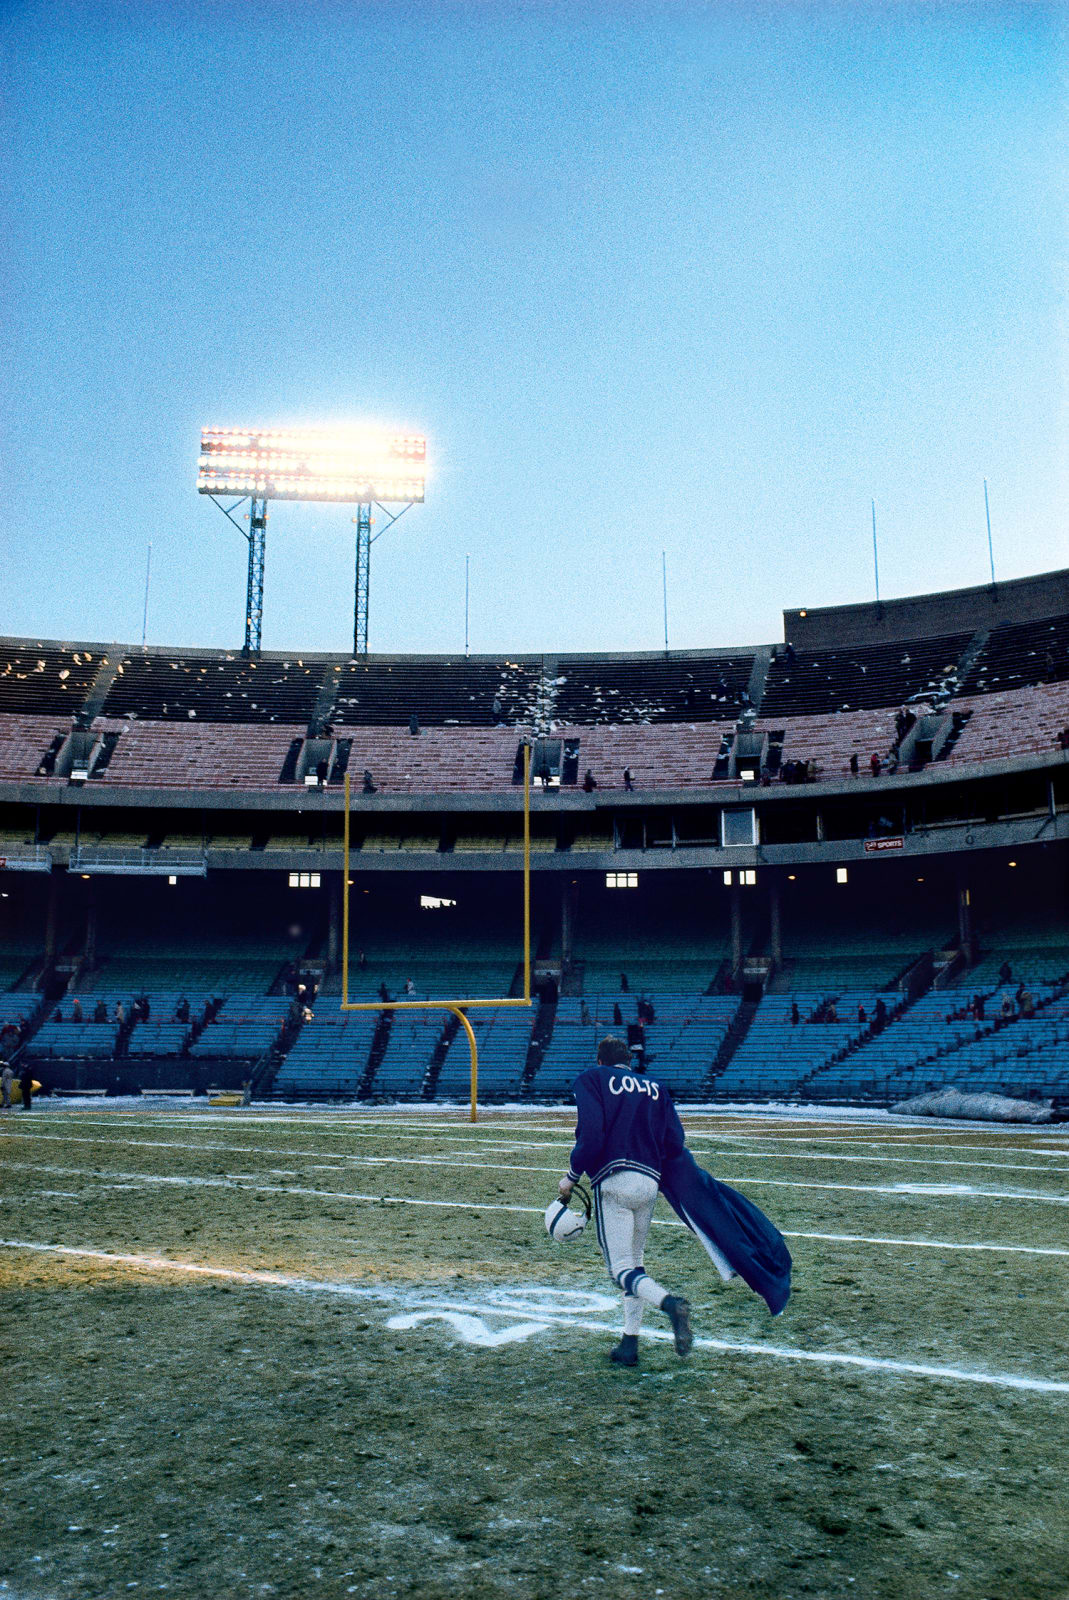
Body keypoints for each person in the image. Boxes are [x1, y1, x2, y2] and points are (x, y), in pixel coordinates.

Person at [558, 1036, 693, 1366]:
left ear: (600, 1061)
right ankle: (629, 1343)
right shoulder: (655, 1087)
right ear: (628, 1062)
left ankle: (671, 1305)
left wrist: (572, 1176)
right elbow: (675, 1140)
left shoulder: (594, 1078)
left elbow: (591, 1134)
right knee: (634, 1263)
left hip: (616, 1178)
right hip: (649, 1181)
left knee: (620, 1268)